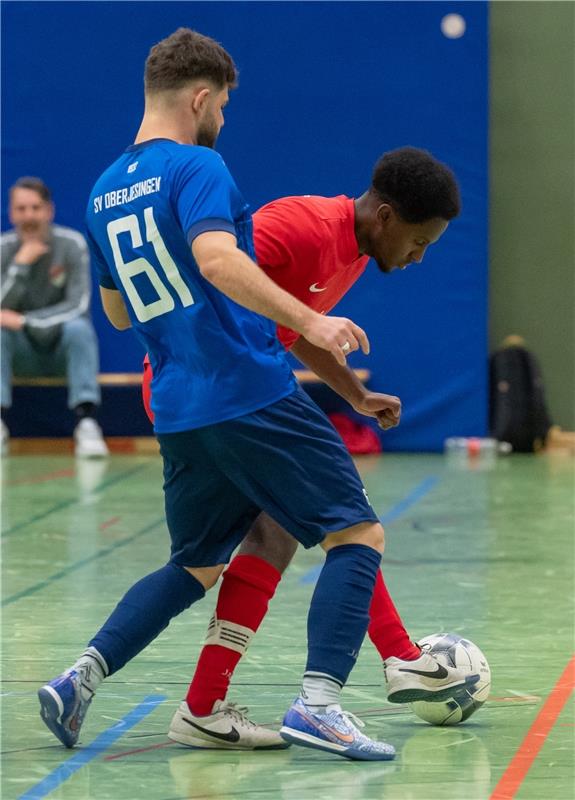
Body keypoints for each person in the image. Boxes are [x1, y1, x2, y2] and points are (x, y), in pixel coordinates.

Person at [38, 28, 477, 761]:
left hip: (179, 404)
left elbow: (117, 314)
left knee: (196, 564)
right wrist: (308, 317)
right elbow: (218, 260)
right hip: (242, 388)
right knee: (356, 532)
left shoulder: (104, 190)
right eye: (225, 106)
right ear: (202, 98)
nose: (224, 120)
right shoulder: (200, 169)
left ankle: (80, 677)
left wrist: (346, 387)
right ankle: (320, 704)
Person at [141, 149, 469, 750]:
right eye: (419, 242)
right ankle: (357, 681)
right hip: (217, 391)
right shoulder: (302, 226)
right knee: (348, 523)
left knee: (264, 537)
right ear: (388, 216)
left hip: (225, 391)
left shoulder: (356, 250)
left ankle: (151, 692)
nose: (419, 257)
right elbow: (214, 277)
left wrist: (356, 396)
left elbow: (292, 325)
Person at [1, 177, 108, 458]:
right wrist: (20, 266)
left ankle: (86, 422)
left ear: (49, 210)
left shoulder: (72, 245)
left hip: (61, 348)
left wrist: (26, 321)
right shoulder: (3, 249)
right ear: (11, 213)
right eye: (21, 209)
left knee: (79, 329)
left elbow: (78, 305)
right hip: (20, 353)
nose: (29, 216)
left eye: (35, 208)